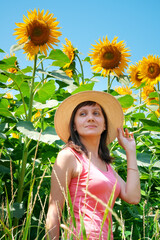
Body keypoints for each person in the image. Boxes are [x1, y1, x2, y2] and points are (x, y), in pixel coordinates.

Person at [46, 90, 141, 240]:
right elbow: (54, 210)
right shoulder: (69, 156)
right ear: (75, 126)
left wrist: (131, 152)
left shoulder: (106, 166)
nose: (90, 118)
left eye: (96, 113)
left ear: (104, 125)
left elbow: (133, 197)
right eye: (83, 114)